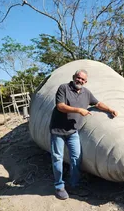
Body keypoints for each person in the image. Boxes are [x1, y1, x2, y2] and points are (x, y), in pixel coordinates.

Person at [49, 69, 118, 200]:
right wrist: (79, 110)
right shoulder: (63, 88)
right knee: (57, 158)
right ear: (74, 77)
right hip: (57, 130)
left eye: (83, 79)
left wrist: (110, 109)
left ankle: (74, 184)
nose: (80, 81)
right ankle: (59, 186)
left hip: (73, 131)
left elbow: (97, 103)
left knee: (76, 157)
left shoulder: (86, 93)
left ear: (85, 82)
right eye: (78, 78)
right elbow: (60, 106)